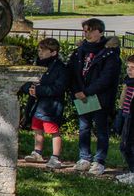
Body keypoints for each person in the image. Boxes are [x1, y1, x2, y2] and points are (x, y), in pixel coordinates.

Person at [67, 18, 121, 176]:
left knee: (101, 129)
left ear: (100, 32)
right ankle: (84, 158)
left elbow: (107, 77)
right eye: (85, 30)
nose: (87, 33)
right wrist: (77, 90)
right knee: (84, 128)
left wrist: (88, 91)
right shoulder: (80, 51)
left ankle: (99, 161)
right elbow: (72, 72)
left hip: (100, 97)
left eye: (90, 30)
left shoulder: (109, 53)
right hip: (81, 95)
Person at [21, 38, 67, 169]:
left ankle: (55, 157)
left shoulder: (60, 68)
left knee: (53, 130)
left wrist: (39, 90)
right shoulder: (37, 65)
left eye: (43, 50)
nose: (40, 53)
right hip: (37, 104)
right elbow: (27, 81)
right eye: (39, 50)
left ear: (53, 52)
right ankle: (37, 152)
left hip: (51, 105)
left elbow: (58, 88)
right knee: (37, 128)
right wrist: (29, 88)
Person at [113, 55, 134, 185]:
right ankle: (132, 171)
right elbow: (123, 98)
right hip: (126, 114)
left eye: (133, 68)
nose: (129, 70)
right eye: (128, 67)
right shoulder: (128, 81)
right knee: (124, 146)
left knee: (129, 146)